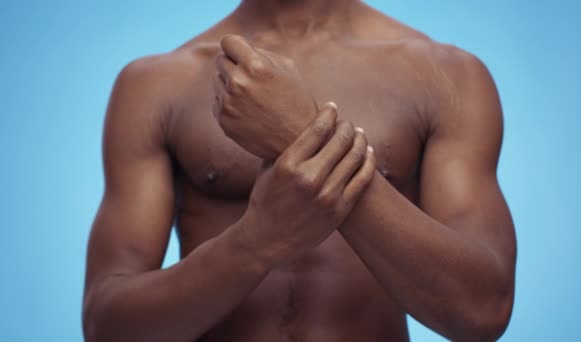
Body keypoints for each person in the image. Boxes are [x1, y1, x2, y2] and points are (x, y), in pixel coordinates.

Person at [82, 1, 516, 341]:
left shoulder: (446, 77)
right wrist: (255, 243)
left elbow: (482, 310)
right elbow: (107, 327)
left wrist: (299, 133)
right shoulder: (154, 86)